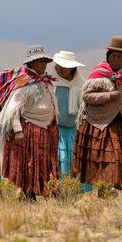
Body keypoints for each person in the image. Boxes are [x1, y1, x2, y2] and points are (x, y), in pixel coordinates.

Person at [72, 35, 122, 190]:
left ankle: (117, 188)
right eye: (113, 56)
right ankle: (105, 189)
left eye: (119, 57)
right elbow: (86, 96)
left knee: (121, 157)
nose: (116, 59)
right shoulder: (99, 74)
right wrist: (109, 96)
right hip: (101, 124)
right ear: (108, 57)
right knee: (108, 157)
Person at [0, 45, 59, 199]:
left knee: (42, 162)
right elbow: (13, 110)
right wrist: (18, 130)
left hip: (46, 128)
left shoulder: (46, 81)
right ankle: (28, 194)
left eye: (44, 61)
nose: (42, 64)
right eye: (38, 61)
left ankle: (41, 191)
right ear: (30, 64)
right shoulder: (24, 83)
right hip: (30, 129)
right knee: (29, 162)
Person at [48, 51, 86, 179]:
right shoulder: (50, 82)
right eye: (59, 65)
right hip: (56, 131)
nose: (60, 68)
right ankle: (60, 191)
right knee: (60, 159)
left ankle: (74, 192)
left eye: (64, 66)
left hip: (75, 131)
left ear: (72, 68)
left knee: (75, 161)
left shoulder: (81, 84)